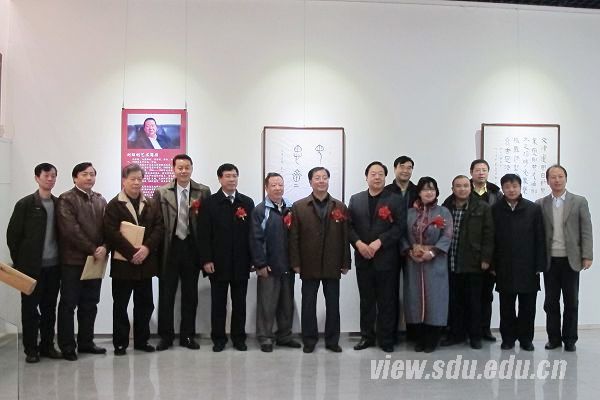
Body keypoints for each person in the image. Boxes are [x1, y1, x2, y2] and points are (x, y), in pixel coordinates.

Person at [289, 167, 351, 353]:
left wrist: (345, 262)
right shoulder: (299, 206)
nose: (321, 181)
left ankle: (332, 341)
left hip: (333, 262)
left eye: (325, 177)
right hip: (308, 262)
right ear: (310, 182)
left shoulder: (340, 206)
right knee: (308, 304)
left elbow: (345, 236)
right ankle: (309, 340)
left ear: (328, 181)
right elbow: (294, 237)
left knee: (333, 304)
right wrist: (295, 262)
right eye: (317, 178)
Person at [104, 164, 164, 355]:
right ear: (124, 180)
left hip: (145, 264)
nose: (137, 182)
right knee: (121, 305)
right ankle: (120, 343)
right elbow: (111, 232)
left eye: (140, 179)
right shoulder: (114, 204)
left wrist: (146, 249)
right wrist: (132, 253)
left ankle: (141, 341)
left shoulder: (151, 203)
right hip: (123, 264)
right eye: (133, 179)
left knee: (145, 305)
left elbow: (159, 228)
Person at [153, 154, 211, 351]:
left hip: (192, 250)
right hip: (169, 249)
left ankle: (187, 335)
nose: (184, 171)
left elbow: (206, 224)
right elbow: (157, 223)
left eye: (187, 167)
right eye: (180, 167)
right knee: (166, 296)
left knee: (190, 296)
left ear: (192, 168)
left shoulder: (203, 191)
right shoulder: (162, 192)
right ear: (174, 169)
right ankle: (166, 337)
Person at [7, 163, 62, 363]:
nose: (50, 179)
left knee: (49, 308)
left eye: (53, 176)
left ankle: (47, 346)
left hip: (54, 267)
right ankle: (31, 349)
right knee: (30, 309)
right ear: (37, 178)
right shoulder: (25, 204)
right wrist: (21, 263)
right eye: (46, 175)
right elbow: (13, 236)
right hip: (30, 269)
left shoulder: (59, 204)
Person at [348, 161, 404, 353]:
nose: (377, 177)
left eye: (381, 174)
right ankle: (367, 336)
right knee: (366, 301)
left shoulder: (395, 199)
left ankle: (386, 338)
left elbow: (399, 227)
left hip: (387, 259)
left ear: (385, 177)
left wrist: (380, 242)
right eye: (373, 174)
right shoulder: (356, 199)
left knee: (387, 301)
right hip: (363, 258)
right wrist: (358, 243)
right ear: (366, 177)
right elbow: (349, 226)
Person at [536, 165, 593, 352]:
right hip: (550, 260)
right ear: (547, 181)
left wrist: (587, 255)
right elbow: (537, 234)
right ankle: (553, 339)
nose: (557, 180)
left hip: (571, 259)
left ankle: (570, 339)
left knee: (571, 302)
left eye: (560, 176)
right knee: (550, 302)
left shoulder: (579, 201)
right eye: (553, 177)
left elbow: (586, 230)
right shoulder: (540, 203)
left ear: (566, 178)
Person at [200, 163, 254, 352]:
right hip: (218, 262)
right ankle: (219, 339)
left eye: (234, 176)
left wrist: (252, 260)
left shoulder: (246, 202)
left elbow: (252, 234)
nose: (232, 179)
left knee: (240, 304)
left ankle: (239, 338)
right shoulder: (210, 203)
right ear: (220, 179)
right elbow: (203, 234)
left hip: (241, 262)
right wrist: (206, 259)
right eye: (228, 176)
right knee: (218, 304)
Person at [56, 162, 107, 361]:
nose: (89, 178)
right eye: (84, 174)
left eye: (92, 174)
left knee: (90, 303)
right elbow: (71, 230)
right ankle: (67, 346)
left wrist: (105, 247)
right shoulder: (66, 199)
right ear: (75, 177)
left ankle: (86, 342)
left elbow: (108, 228)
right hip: (73, 261)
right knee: (69, 304)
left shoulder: (100, 199)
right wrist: (93, 249)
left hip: (95, 261)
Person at [492, 174, 546, 351]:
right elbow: (491, 239)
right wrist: (493, 264)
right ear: (502, 189)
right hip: (504, 265)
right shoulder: (495, 209)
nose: (511, 190)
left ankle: (526, 339)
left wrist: (540, 264)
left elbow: (540, 238)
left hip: (528, 266)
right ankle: (507, 339)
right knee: (506, 306)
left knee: (528, 306)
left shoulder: (533, 209)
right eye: (507, 187)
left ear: (520, 187)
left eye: (514, 186)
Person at [441, 175, 494, 350]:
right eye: (458, 186)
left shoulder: (482, 207)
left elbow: (489, 235)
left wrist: (486, 258)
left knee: (474, 302)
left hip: (474, 262)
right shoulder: (446, 207)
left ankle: (475, 336)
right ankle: (455, 334)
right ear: (452, 189)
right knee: (454, 301)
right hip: (451, 261)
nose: (462, 189)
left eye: (465, 185)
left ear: (470, 188)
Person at [249, 173, 301, 352]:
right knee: (267, 304)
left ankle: (284, 336)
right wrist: (260, 264)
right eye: (273, 185)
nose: (278, 188)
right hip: (269, 266)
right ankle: (265, 337)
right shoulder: (260, 210)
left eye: (280, 184)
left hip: (288, 265)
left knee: (286, 304)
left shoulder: (291, 208)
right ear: (266, 188)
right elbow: (255, 239)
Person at [403, 176, 453, 353]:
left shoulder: (443, 212)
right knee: (415, 299)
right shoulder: (409, 213)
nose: (429, 192)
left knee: (435, 299)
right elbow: (402, 235)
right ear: (419, 192)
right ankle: (419, 338)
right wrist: (410, 251)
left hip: (435, 262)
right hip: (414, 262)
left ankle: (433, 339)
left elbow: (447, 235)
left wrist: (432, 252)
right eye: (425, 189)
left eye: (432, 189)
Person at [384, 155, 418, 342]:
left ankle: (414, 332)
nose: (405, 170)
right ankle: (392, 333)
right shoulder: (386, 191)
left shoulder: (417, 190)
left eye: (409, 167)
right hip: (390, 247)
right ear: (395, 168)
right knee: (390, 292)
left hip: (414, 247)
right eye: (402, 167)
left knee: (413, 290)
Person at [469, 159, 502, 342]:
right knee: (469, 295)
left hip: (490, 251)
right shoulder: (464, 189)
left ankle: (485, 329)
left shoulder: (496, 193)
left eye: (484, 170)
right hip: (468, 252)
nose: (481, 173)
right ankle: (468, 330)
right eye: (478, 170)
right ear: (471, 172)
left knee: (486, 294)